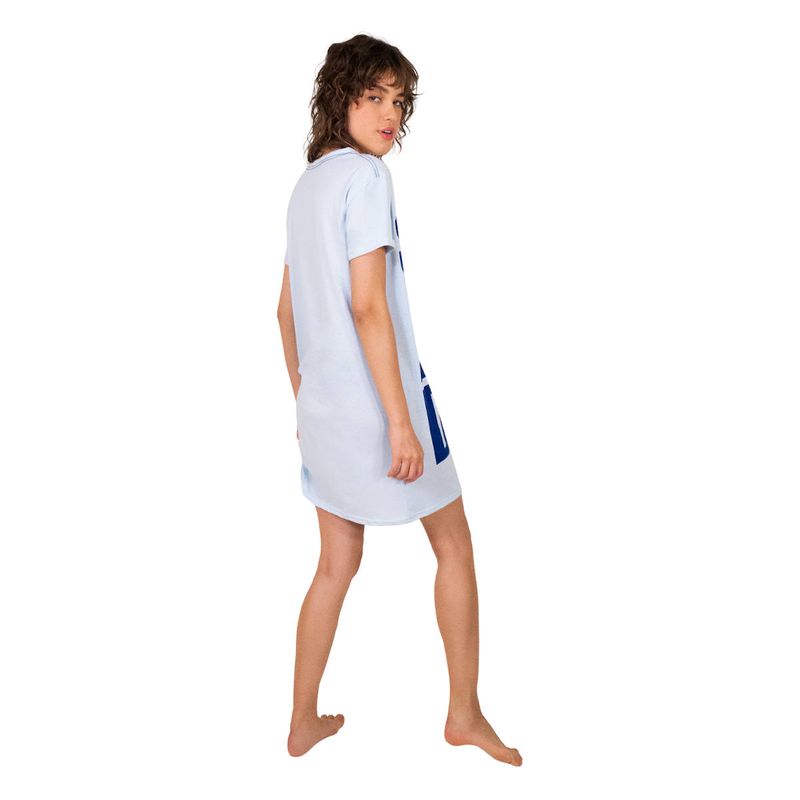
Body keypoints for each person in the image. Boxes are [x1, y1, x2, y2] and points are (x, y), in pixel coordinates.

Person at [277, 34, 522, 767]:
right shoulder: (366, 178)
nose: (390, 114)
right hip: (384, 410)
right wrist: (399, 424)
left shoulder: (308, 185)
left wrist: (307, 401)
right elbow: (367, 305)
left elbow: (284, 312)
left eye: (400, 100)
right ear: (340, 99)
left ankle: (301, 720)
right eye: (374, 96)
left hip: (325, 414)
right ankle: (464, 714)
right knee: (454, 544)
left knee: (335, 562)